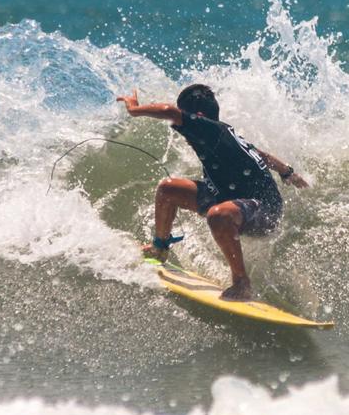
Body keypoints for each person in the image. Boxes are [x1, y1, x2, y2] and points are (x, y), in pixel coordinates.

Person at [116, 83, 308, 300]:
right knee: (167, 189)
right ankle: (159, 248)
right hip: (229, 196)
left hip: (264, 210)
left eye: (186, 121)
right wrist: (287, 172)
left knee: (219, 215)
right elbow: (260, 154)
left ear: (198, 117)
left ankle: (242, 283)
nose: (182, 130)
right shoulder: (223, 131)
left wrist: (133, 109)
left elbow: (168, 111)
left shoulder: (209, 129)